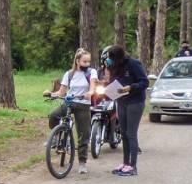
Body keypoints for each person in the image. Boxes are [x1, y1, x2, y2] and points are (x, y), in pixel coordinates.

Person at [47, 48, 97, 174]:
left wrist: (90, 93)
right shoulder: (69, 74)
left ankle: (82, 162)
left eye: (88, 61)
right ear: (77, 61)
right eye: (84, 61)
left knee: (83, 134)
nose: (87, 64)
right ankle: (56, 137)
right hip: (69, 102)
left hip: (83, 104)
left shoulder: (92, 72)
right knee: (53, 115)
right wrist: (52, 94)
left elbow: (92, 86)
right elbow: (62, 92)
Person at [104, 45, 149, 176]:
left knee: (131, 133)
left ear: (118, 57)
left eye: (112, 58)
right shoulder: (114, 66)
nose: (110, 61)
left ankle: (133, 166)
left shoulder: (134, 64)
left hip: (135, 102)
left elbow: (144, 82)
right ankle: (125, 163)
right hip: (121, 101)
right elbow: (113, 81)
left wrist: (130, 87)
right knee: (123, 133)